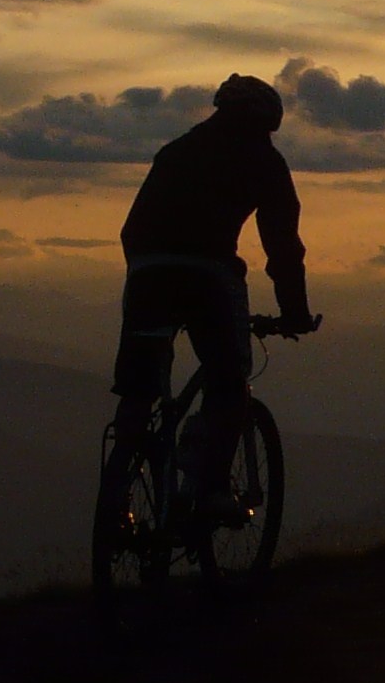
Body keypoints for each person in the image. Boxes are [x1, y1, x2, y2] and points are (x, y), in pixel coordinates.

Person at [109, 73, 319, 527]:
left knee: (139, 386)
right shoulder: (265, 162)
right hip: (209, 275)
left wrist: (145, 271)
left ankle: (118, 490)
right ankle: (211, 490)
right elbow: (282, 244)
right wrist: (295, 311)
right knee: (228, 382)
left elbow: (132, 228)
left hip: (147, 271)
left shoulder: (176, 151)